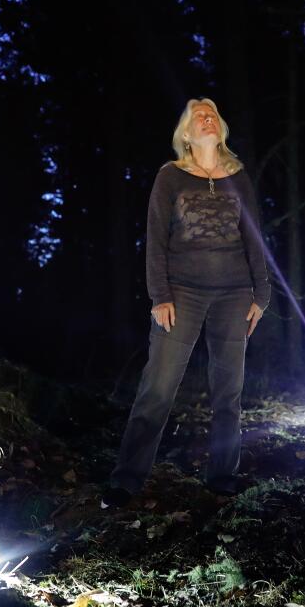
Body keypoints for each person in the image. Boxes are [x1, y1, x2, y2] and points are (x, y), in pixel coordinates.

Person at [102, 98, 270, 508]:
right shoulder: (171, 177)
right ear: (186, 135)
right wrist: (160, 294)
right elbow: (156, 238)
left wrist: (261, 294)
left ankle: (223, 478)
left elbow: (254, 236)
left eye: (212, 114)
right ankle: (126, 480)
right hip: (182, 294)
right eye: (198, 117)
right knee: (158, 387)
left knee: (228, 391)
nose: (207, 118)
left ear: (221, 129)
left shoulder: (238, 177)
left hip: (235, 294)